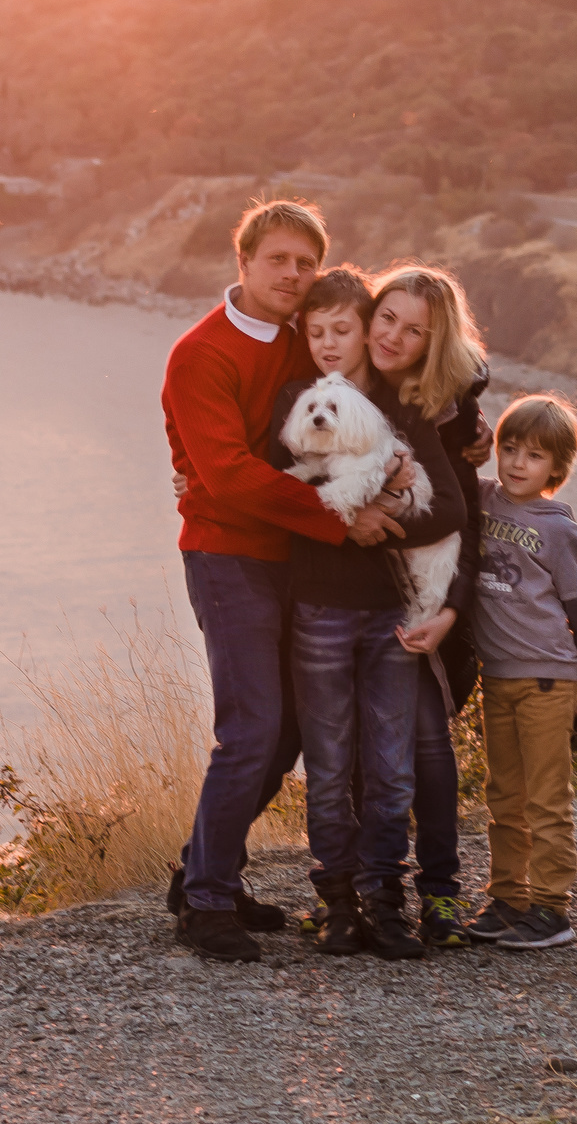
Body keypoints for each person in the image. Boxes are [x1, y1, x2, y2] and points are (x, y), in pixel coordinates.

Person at [161, 200, 403, 964]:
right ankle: (204, 905)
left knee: (293, 725)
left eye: (306, 262)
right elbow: (227, 475)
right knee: (252, 726)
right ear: (244, 261)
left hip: (298, 562)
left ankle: (207, 873)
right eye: (279, 260)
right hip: (230, 554)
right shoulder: (201, 353)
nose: (294, 275)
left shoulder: (308, 342)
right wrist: (341, 520)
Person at [264, 268, 466, 960]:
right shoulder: (297, 402)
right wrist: (340, 521)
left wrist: (378, 520)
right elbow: (271, 490)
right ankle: (338, 902)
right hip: (318, 607)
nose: (336, 342)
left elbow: (454, 509)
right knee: (327, 766)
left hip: (388, 613)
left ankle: (388, 898)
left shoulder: (406, 411)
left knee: (392, 767)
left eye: (345, 329)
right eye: (320, 332)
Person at [365, 263, 492, 946]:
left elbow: (463, 521)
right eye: (386, 317)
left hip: (426, 604)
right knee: (358, 751)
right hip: (346, 599)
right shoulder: (336, 385)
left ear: (433, 344)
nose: (394, 336)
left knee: (428, 749)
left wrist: (451, 611)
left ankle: (440, 894)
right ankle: (368, 889)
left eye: (415, 331)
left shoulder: (446, 415)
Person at [465, 394, 577, 951]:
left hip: (549, 681)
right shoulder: (480, 499)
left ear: (557, 468)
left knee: (545, 799)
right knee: (502, 794)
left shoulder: (558, 530)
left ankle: (552, 909)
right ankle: (507, 899)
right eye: (509, 448)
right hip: (497, 677)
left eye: (534, 455)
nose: (518, 462)